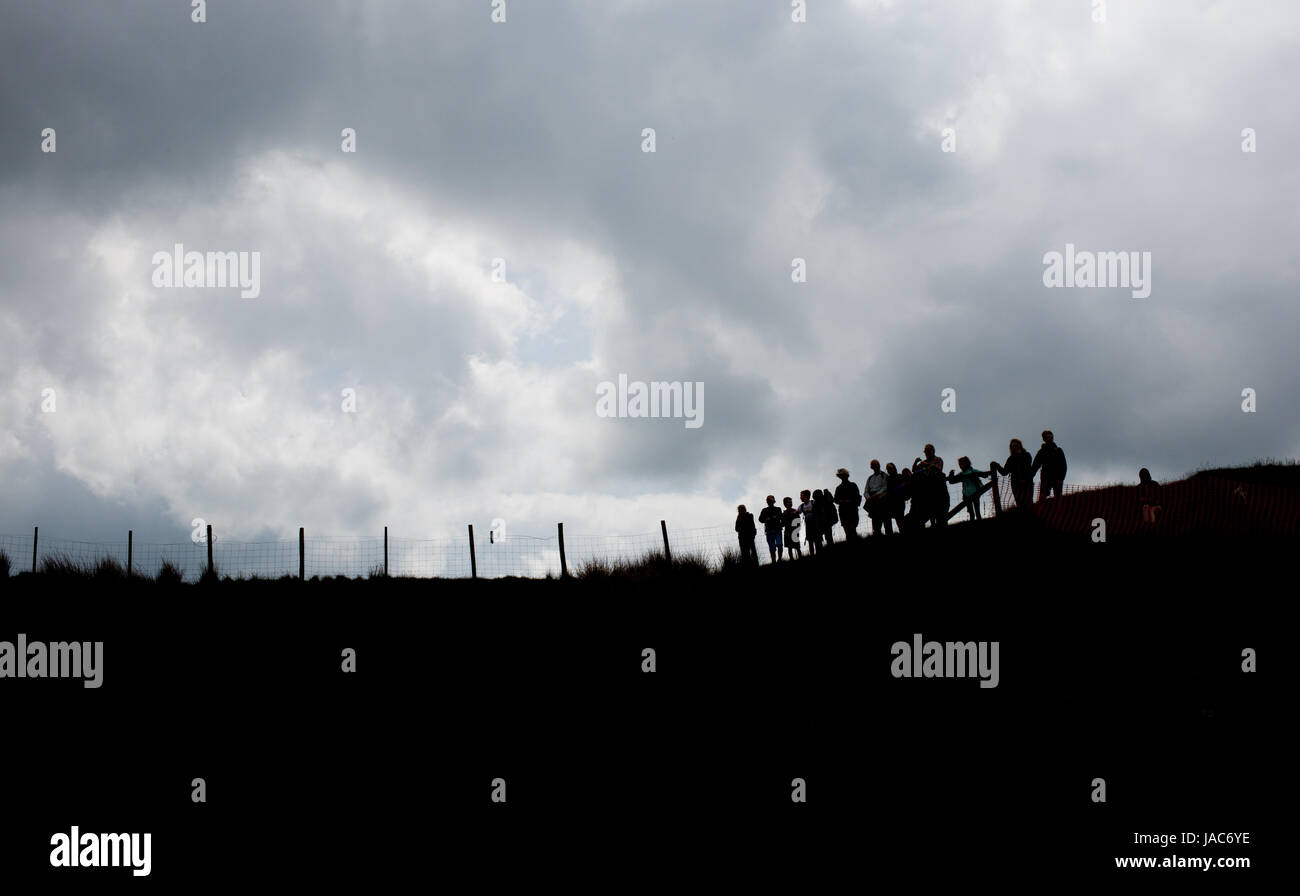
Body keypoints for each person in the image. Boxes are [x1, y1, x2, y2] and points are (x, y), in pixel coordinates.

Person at [991, 438, 1034, 511]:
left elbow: (1027, 468)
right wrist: (996, 465)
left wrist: (1024, 478)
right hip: (1016, 484)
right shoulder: (1010, 459)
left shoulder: (1026, 455)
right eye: (1012, 446)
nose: (1014, 447)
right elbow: (1004, 472)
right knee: (1020, 504)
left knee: (1029, 503)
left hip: (1027, 482)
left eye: (1016, 445)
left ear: (1020, 445)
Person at [948, 456, 991, 521]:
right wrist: (951, 474)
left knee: (977, 511)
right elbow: (952, 481)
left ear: (967, 463)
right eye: (959, 464)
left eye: (962, 463)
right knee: (971, 513)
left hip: (975, 493)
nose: (960, 465)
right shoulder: (961, 474)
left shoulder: (972, 471)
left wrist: (988, 473)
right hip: (966, 495)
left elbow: (983, 475)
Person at [1030, 430, 1067, 502]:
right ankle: (1041, 511)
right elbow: (1035, 466)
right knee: (1042, 498)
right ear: (1044, 439)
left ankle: (1059, 511)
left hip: (1057, 478)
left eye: (1051, 437)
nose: (1050, 439)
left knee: (1058, 498)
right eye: (1047, 437)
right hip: (1045, 478)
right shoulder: (1041, 452)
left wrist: (1061, 478)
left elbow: (1063, 466)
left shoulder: (1058, 450)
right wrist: (1029, 477)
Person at [864, 459, 892, 535]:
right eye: (872, 466)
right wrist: (868, 497)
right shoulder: (870, 478)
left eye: (875, 465)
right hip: (873, 501)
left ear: (879, 465)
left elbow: (885, 487)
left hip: (882, 499)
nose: (874, 467)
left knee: (887, 521)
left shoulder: (884, 475)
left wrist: (877, 495)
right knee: (876, 523)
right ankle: (877, 537)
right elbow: (866, 490)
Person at [834, 468, 861, 539]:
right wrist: (843, 501)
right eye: (841, 476)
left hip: (852, 510)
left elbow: (857, 497)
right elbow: (836, 500)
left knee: (852, 530)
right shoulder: (839, 488)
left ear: (846, 475)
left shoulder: (852, 485)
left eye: (843, 475)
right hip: (844, 511)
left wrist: (849, 502)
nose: (842, 477)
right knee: (847, 531)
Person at [758, 495, 783, 561]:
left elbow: (781, 517)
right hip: (769, 530)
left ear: (774, 501)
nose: (769, 501)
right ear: (767, 502)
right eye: (768, 500)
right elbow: (760, 519)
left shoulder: (778, 509)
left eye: (771, 500)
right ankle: (774, 561)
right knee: (772, 547)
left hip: (777, 529)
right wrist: (766, 519)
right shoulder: (764, 510)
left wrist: (776, 517)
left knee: (779, 545)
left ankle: (780, 559)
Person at [886, 463, 908, 534]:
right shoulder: (888, 479)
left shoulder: (899, 476)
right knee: (898, 519)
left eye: (890, 468)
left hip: (900, 501)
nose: (889, 470)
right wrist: (900, 486)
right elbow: (891, 490)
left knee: (900, 518)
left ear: (894, 468)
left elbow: (905, 484)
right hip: (893, 502)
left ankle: (903, 531)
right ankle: (902, 531)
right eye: (888, 469)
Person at [798, 489, 819, 555]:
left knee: (817, 540)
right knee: (810, 541)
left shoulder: (813, 502)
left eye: (801, 496)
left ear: (806, 496)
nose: (800, 497)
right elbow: (797, 512)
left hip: (816, 524)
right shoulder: (801, 506)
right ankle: (812, 554)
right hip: (808, 526)